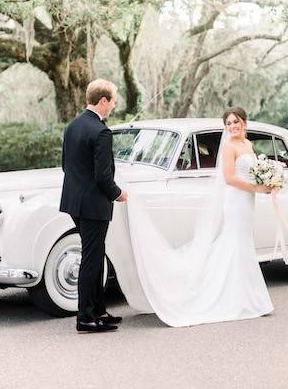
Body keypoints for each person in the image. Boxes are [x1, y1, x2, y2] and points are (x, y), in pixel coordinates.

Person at [118, 106, 274, 327]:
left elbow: (250, 170)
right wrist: (256, 188)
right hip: (236, 199)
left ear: (244, 123)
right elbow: (229, 178)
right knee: (235, 243)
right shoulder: (229, 146)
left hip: (247, 200)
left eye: (236, 122)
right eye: (228, 123)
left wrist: (266, 181)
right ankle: (240, 298)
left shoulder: (247, 144)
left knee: (243, 243)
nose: (232, 126)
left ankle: (250, 297)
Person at [59, 78, 128, 334]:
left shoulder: (73, 126)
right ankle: (86, 318)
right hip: (94, 205)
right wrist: (117, 193)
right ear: (103, 101)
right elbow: (102, 176)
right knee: (91, 259)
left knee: (96, 256)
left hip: (75, 202)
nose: (113, 105)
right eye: (113, 100)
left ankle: (99, 311)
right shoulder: (101, 131)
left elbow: (67, 166)